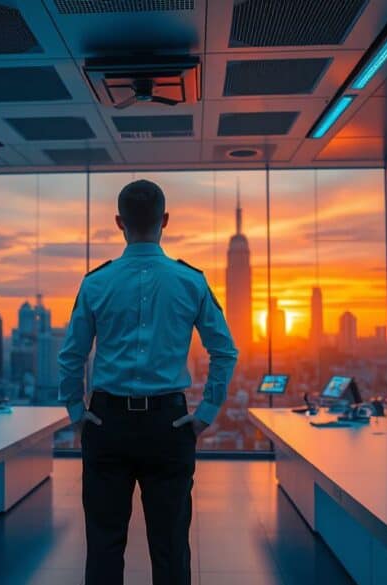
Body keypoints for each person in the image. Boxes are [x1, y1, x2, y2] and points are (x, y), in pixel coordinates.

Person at [58, 179, 238, 585]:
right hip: (168, 426)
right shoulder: (191, 281)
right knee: (171, 545)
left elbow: (71, 354)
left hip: (107, 424)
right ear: (166, 221)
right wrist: (205, 414)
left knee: (104, 546)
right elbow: (224, 351)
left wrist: (76, 412)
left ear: (119, 222)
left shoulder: (96, 283)